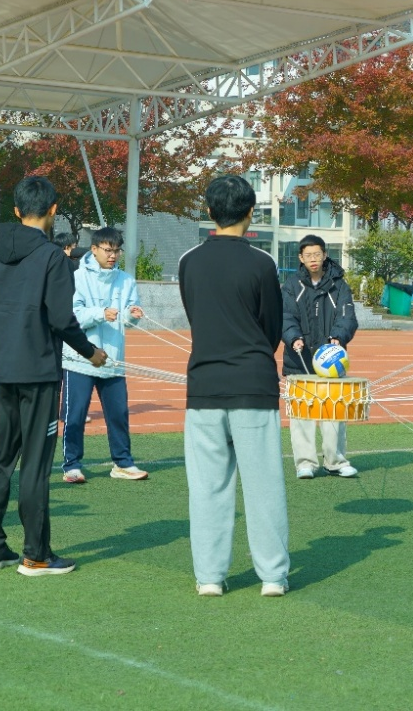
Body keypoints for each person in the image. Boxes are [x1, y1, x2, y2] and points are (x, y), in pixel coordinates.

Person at [0, 176, 107, 576]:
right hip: (38, 372)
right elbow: (61, 319)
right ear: (53, 210)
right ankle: (36, 554)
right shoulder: (53, 258)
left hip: (2, 369)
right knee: (35, 464)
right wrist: (91, 352)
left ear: (17, 210)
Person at [178, 174, 289, 598]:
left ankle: (209, 575)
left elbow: (196, 315)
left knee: (207, 487)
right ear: (251, 213)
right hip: (253, 383)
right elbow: (271, 327)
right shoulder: (262, 263)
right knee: (264, 485)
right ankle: (272, 576)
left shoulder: (189, 261)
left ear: (209, 212)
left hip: (204, 384)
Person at [60, 226, 148, 483]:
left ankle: (123, 463)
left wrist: (132, 315)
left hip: (112, 358)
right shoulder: (76, 277)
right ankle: (71, 465)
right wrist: (100, 313)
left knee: (118, 414)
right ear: (94, 249)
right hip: (80, 358)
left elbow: (128, 319)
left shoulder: (126, 280)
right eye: (108, 250)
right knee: (75, 415)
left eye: (117, 251)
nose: (113, 255)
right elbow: (71, 316)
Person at [281, 234, 359, 479]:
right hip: (299, 359)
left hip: (331, 359)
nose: (313, 259)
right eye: (308, 255)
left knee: (333, 412)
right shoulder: (291, 285)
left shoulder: (339, 285)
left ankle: (335, 461)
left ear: (325, 255)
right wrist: (293, 337)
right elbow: (285, 316)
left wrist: (338, 336)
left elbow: (347, 316)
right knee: (301, 414)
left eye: (317, 254)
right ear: (301, 258)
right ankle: (305, 463)